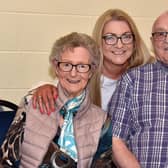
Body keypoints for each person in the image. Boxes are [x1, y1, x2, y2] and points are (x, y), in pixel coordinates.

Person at [0, 32, 113, 168]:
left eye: (82, 66)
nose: (73, 73)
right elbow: (7, 159)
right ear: (56, 67)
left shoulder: (102, 120)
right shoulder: (33, 102)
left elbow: (105, 163)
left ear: (91, 71)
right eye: (66, 65)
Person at [31, 9, 153, 115]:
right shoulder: (86, 71)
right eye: (110, 38)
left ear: (134, 41)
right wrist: (45, 87)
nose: (119, 44)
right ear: (99, 42)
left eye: (126, 37)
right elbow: (60, 84)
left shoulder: (147, 73)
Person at [110, 10, 168, 167]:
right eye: (161, 34)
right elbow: (115, 139)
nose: (166, 40)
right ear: (152, 41)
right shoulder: (133, 80)